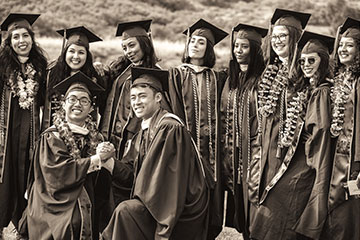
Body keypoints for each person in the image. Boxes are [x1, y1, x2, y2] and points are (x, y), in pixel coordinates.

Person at [102, 67, 209, 240]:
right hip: (158, 201)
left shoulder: (169, 127)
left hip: (177, 208)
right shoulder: (145, 130)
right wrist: (109, 162)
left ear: (158, 98)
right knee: (120, 206)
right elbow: (133, 172)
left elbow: (166, 181)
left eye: (142, 96)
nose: (136, 102)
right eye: (133, 98)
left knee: (126, 211)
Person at [26, 71, 114, 240]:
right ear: (63, 104)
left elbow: (101, 182)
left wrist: (107, 156)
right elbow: (58, 173)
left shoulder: (96, 137)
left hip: (84, 195)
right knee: (73, 222)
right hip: (53, 199)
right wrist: (98, 159)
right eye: (72, 99)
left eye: (84, 100)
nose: (77, 104)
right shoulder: (52, 136)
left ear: (91, 108)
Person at [250, 9, 313, 240]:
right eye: (273, 36)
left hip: (296, 155)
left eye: (282, 36)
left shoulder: (306, 71)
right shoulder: (272, 70)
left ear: (295, 37)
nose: (276, 41)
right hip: (271, 150)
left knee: (283, 209)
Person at [168, 18, 227, 239]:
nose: (194, 45)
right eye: (192, 40)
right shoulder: (176, 74)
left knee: (210, 194)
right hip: (185, 146)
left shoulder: (218, 77)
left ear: (208, 48)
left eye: (201, 42)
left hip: (212, 151)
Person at [100, 19, 168, 206]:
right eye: (124, 47)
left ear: (144, 44)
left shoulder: (155, 72)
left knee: (127, 185)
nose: (128, 51)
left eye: (131, 45)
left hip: (135, 141)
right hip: (112, 137)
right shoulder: (122, 70)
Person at [0, 13, 47, 238]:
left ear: (32, 38)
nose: (21, 41)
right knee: (4, 175)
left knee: (25, 176)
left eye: (25, 35)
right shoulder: (2, 65)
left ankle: (23, 225)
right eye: (15, 37)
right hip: (5, 134)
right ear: (9, 42)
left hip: (29, 133)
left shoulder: (40, 65)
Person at [220, 23, 267, 239]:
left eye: (244, 47)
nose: (238, 51)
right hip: (234, 153)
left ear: (255, 50)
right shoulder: (231, 78)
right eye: (236, 46)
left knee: (254, 202)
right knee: (239, 201)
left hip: (254, 152)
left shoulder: (262, 80)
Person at [288, 31, 335, 240]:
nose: (305, 64)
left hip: (315, 158)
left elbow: (321, 130)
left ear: (323, 61)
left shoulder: (322, 91)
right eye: (302, 61)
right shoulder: (312, 88)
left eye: (311, 60)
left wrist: (307, 152)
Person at [321, 17, 360, 240]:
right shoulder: (339, 77)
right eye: (341, 44)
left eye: (350, 45)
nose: (343, 49)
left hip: (352, 157)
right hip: (336, 154)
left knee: (349, 212)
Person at [42, 26, 105, 131]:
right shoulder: (51, 74)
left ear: (87, 56)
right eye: (71, 51)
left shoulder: (96, 77)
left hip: (85, 134)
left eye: (81, 52)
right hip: (55, 134)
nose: (76, 56)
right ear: (65, 53)